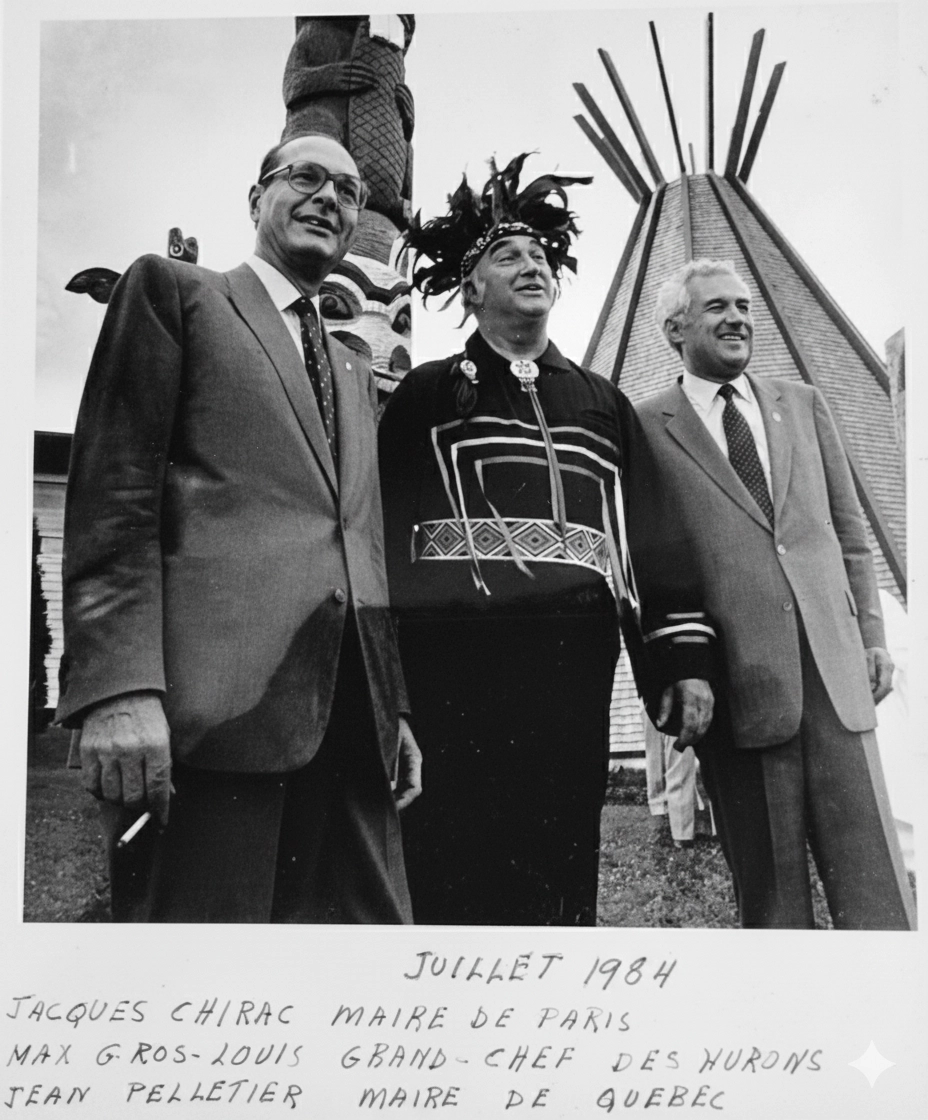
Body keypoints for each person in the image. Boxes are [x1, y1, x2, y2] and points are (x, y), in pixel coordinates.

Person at [56, 133, 421, 923]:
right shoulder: (177, 296)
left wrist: (392, 706)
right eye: (307, 177)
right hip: (211, 729)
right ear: (255, 199)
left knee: (362, 989)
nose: (332, 198)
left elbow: (361, 544)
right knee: (207, 984)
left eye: (351, 191)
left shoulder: (357, 370)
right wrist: (118, 689)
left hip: (353, 735)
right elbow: (114, 499)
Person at [378, 155, 715, 926]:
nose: (531, 265)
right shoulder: (427, 395)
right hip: (450, 688)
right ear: (471, 290)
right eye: (508, 255)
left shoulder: (600, 402)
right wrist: (390, 693)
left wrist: (683, 660)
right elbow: (380, 543)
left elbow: (652, 543)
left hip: (569, 684)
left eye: (539, 255)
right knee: (451, 882)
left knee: (560, 877)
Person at [638, 258, 916, 930]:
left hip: (837, 680)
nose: (738, 319)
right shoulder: (647, 426)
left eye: (744, 306)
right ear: (676, 328)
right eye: (717, 309)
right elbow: (646, 563)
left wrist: (872, 639)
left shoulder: (803, 404)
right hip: (741, 690)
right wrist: (677, 674)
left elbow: (849, 536)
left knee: (878, 893)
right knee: (773, 906)